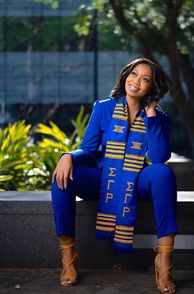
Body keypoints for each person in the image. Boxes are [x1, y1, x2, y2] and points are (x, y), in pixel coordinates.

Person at [51, 57, 178, 293]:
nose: (137, 81)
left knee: (162, 173)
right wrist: (68, 155)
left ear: (153, 87)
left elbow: (160, 156)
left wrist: (150, 115)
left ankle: (164, 261)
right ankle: (68, 256)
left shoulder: (159, 118)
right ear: (125, 76)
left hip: (136, 182)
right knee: (62, 174)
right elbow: (88, 149)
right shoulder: (103, 107)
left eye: (145, 79)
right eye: (134, 74)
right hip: (103, 178)